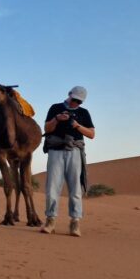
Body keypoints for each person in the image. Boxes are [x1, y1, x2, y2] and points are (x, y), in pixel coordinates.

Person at [40, 86, 96, 237]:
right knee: (52, 187)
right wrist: (57, 119)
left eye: (79, 101)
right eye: (74, 99)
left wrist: (77, 126)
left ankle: (75, 223)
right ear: (69, 95)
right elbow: (47, 128)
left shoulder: (83, 113)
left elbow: (91, 134)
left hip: (75, 152)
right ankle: (50, 220)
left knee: (75, 188)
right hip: (56, 151)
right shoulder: (55, 108)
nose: (75, 103)